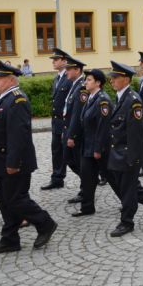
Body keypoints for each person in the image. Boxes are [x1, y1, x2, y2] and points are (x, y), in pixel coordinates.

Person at [0, 61, 57, 254]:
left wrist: (13, 162)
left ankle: (45, 222)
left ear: (10, 80)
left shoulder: (17, 100)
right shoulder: (2, 99)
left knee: (16, 199)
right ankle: (10, 239)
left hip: (15, 162)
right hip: (1, 160)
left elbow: (18, 134)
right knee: (5, 201)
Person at [106, 61, 143, 236]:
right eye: (111, 78)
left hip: (128, 154)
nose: (112, 81)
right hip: (118, 152)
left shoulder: (133, 101)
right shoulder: (121, 97)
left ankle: (127, 221)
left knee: (127, 189)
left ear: (125, 79)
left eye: (115, 78)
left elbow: (137, 133)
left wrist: (134, 158)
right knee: (127, 186)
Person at [71, 69, 111, 217]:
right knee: (87, 178)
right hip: (88, 148)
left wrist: (98, 148)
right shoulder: (91, 97)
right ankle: (87, 207)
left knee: (114, 179)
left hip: (98, 149)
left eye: (89, 80)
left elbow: (103, 127)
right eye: (86, 79)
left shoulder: (103, 100)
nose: (85, 82)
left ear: (98, 83)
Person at [42, 48, 72, 191]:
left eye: (56, 59)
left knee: (72, 152)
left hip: (66, 121)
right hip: (56, 121)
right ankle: (57, 178)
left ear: (64, 61)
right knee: (56, 149)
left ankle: (97, 174)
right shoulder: (57, 78)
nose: (53, 62)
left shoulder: (70, 78)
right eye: (53, 60)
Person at [62, 56, 88, 204]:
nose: (66, 72)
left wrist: (71, 135)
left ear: (77, 70)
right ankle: (89, 182)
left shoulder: (82, 87)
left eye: (69, 69)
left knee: (78, 162)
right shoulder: (74, 85)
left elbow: (77, 114)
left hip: (77, 134)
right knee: (70, 160)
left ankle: (86, 189)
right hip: (69, 130)